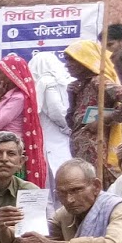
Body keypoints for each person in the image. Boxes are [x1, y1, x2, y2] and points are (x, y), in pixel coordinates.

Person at [64, 39, 122, 180]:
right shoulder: (78, 86)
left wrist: (105, 118)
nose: (67, 65)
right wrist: (72, 97)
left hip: (99, 151)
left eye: (71, 60)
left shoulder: (98, 82)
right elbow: (72, 123)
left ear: (84, 60)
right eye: (66, 60)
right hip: (82, 153)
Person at [0, 55, 48, 188]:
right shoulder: (4, 94)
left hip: (10, 147)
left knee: (10, 186)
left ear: (11, 75)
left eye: (0, 73)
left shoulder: (18, 98)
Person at [31, 50, 74, 183]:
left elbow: (56, 111)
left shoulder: (46, 82)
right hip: (61, 133)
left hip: (54, 133)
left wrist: (65, 127)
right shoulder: (61, 80)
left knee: (55, 173)